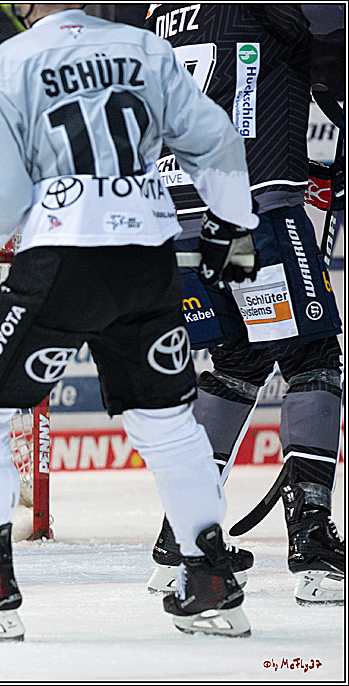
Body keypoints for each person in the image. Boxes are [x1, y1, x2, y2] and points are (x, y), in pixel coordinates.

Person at [0, 4, 261, 639]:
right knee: (165, 422)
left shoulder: (1, 68)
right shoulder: (146, 49)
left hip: (65, 261)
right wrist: (231, 222)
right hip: (149, 264)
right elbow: (217, 139)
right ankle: (210, 581)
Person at [144, 4, 345, 606]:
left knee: (239, 361)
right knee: (312, 358)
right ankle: (312, 547)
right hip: (249, 215)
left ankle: (182, 540)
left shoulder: (160, 11)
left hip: (177, 218)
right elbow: (330, 35)